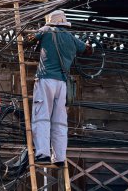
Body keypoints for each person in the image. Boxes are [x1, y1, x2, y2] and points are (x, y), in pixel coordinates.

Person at [31, 10, 92, 166]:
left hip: (46, 80)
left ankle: (43, 154)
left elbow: (28, 40)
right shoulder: (71, 38)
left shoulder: (46, 30)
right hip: (62, 83)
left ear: (51, 22)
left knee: (42, 117)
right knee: (59, 122)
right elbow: (88, 49)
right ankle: (59, 158)